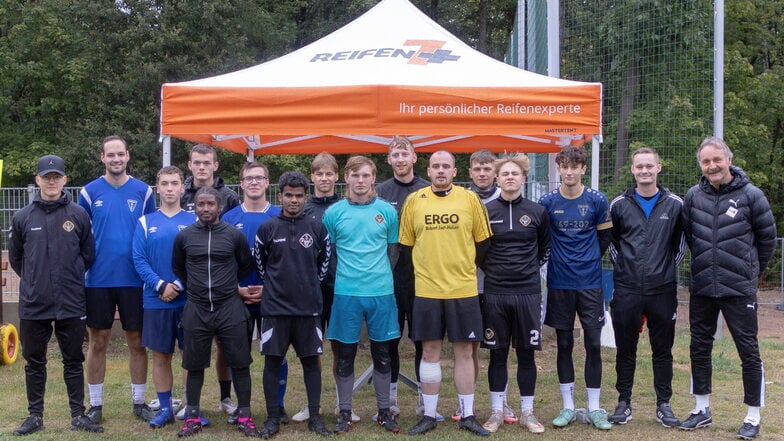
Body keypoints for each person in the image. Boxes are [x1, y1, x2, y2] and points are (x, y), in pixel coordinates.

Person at [679, 137, 776, 440]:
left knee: (748, 351)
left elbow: (767, 239)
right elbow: (691, 239)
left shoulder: (752, 195)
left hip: (739, 289)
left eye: (716, 160)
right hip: (704, 288)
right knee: (699, 348)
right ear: (701, 165)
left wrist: (748, 271)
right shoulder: (693, 196)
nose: (712, 166)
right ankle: (701, 409)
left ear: (729, 160)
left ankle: (752, 415)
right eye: (706, 161)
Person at [399, 150, 492, 436]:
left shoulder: (470, 199)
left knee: (464, 351)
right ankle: (428, 414)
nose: (441, 170)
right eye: (436, 166)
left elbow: (483, 243)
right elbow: (406, 246)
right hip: (427, 290)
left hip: (462, 289)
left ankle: (467, 415)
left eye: (446, 166)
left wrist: (462, 268)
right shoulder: (414, 201)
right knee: (430, 351)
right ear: (428, 171)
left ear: (455, 172)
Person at [9, 155, 103, 435]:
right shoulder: (22, 217)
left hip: (71, 302)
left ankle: (78, 415)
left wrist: (69, 279)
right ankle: (35, 416)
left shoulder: (78, 215)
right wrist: (36, 282)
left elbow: (88, 255)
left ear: (64, 180)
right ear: (37, 180)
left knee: (73, 359)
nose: (51, 181)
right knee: (34, 361)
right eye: (46, 177)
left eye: (56, 177)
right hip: (34, 304)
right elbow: (17, 259)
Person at [78, 135, 157, 423]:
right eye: (110, 155)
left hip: (135, 279)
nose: (116, 159)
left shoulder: (144, 191)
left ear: (128, 156)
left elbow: (152, 232)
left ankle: (139, 402)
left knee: (137, 341)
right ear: (102, 157)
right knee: (98, 341)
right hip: (98, 279)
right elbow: (80, 235)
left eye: (120, 154)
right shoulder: (88, 193)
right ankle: (95, 405)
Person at [322, 156, 402, 434]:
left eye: (365, 175)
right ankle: (344, 411)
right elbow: (328, 253)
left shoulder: (387, 212)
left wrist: (378, 276)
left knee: (383, 354)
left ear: (373, 179)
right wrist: (344, 280)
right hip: (346, 294)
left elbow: (393, 250)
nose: (360, 180)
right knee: (345, 355)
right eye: (355, 175)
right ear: (347, 177)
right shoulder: (333, 213)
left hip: (381, 293)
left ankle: (384, 411)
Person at [607, 147, 685, 428]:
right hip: (627, 289)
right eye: (639, 166)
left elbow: (679, 246)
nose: (644, 171)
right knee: (625, 348)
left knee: (662, 349)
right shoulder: (618, 205)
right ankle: (623, 402)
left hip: (662, 289)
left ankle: (664, 404)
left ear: (658, 168)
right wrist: (627, 272)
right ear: (632, 170)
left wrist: (663, 271)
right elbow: (613, 245)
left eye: (649, 166)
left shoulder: (675, 204)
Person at [172, 187, 259, 437]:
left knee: (240, 363)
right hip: (197, 307)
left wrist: (227, 285)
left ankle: (244, 414)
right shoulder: (185, 237)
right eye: (201, 204)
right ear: (195, 207)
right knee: (194, 364)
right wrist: (199, 288)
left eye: (211, 204)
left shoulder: (234, 235)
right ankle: (192, 416)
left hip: (229, 307)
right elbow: (179, 268)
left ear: (219, 206)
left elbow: (245, 265)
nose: (206, 208)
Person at [538, 145, 613, 431]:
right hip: (560, 282)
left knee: (593, 343)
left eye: (575, 167)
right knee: (565, 343)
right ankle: (568, 407)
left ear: (583, 169)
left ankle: (594, 408)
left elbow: (605, 238)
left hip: (590, 283)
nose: (569, 172)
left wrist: (588, 259)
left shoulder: (596, 200)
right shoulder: (547, 202)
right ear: (558, 168)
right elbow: (542, 238)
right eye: (564, 166)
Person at [254, 171, 333, 438]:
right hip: (275, 309)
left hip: (309, 309)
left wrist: (309, 284)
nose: (294, 200)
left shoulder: (316, 227)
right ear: (280, 195)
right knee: (272, 363)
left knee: (311, 363)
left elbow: (324, 264)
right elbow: (261, 265)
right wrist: (277, 288)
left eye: (299, 196)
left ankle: (315, 415)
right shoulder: (267, 228)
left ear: (306, 197)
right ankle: (273, 417)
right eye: (289, 195)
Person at [479, 154, 550, 434]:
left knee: (526, 354)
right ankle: (496, 412)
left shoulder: (537, 211)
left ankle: (527, 413)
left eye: (515, 173)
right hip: (495, 292)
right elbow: (479, 252)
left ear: (523, 178)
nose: (510, 177)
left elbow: (544, 248)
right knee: (497, 354)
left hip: (528, 293)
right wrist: (497, 271)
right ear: (497, 179)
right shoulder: (486, 210)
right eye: (505, 173)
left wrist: (526, 271)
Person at [294, 152, 359, 423]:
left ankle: (343, 405)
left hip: (341, 285)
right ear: (312, 177)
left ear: (337, 177)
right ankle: (313, 404)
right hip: (310, 289)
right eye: (319, 173)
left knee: (340, 347)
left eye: (328, 173)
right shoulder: (302, 209)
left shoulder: (347, 207)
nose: (323, 178)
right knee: (312, 347)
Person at [222, 161, 288, 425]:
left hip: (272, 298)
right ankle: (242, 406)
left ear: (266, 182)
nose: (253, 182)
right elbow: (222, 262)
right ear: (241, 183)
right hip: (237, 297)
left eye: (259, 178)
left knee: (276, 353)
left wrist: (269, 288)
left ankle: (278, 406)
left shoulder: (280, 216)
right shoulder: (228, 219)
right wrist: (236, 288)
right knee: (239, 355)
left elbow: (286, 262)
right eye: (248, 178)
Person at [132, 166, 197, 429]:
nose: (170, 188)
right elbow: (139, 259)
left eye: (174, 183)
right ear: (157, 188)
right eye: (165, 184)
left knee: (190, 356)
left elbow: (196, 260)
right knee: (161, 355)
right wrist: (160, 285)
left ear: (183, 187)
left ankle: (191, 408)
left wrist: (179, 285)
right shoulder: (146, 222)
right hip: (156, 300)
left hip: (188, 300)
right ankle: (166, 408)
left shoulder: (194, 221)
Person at [375, 136, 434, 420]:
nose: (400, 159)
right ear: (389, 160)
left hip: (423, 278)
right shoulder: (379, 192)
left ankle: (425, 400)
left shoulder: (428, 189)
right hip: (389, 279)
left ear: (414, 158)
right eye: (395, 155)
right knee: (390, 340)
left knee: (423, 340)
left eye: (405, 154)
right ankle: (392, 400)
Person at [179, 143, 240, 417]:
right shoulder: (179, 194)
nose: (202, 167)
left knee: (226, 347)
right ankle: (189, 402)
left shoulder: (230, 197)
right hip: (194, 288)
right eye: (197, 162)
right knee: (191, 349)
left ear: (215, 165)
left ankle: (226, 397)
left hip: (226, 290)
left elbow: (237, 245)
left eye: (207, 162)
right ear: (190, 165)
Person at [466, 149, 516, 426]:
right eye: (477, 169)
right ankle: (469, 402)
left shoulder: (507, 199)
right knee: (470, 346)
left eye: (487, 168)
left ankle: (502, 402)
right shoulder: (463, 199)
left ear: (494, 173)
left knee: (501, 347)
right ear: (470, 172)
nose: (482, 173)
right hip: (470, 285)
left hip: (500, 285)